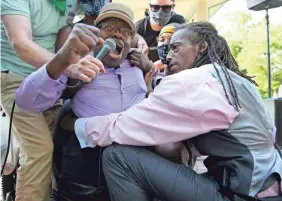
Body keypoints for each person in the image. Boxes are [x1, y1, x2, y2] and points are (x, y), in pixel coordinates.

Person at [43, 21, 281, 200]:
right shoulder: (233, 80)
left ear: (202, 47)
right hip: (264, 185)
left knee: (118, 157)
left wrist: (76, 125)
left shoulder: (195, 82)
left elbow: (127, 126)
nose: (168, 56)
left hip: (239, 194)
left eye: (176, 47)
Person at [15, 3, 153, 200]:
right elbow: (27, 101)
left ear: (132, 40)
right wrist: (62, 61)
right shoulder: (78, 63)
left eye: (125, 31)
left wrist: (148, 68)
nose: (117, 35)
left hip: (136, 152)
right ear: (96, 33)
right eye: (110, 28)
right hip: (89, 158)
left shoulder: (137, 63)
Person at [0, 0, 73, 200]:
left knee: (59, 142)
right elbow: (21, 43)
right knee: (39, 149)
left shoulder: (71, 2)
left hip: (48, 80)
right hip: (15, 78)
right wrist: (67, 65)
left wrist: (136, 39)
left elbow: (70, 31)